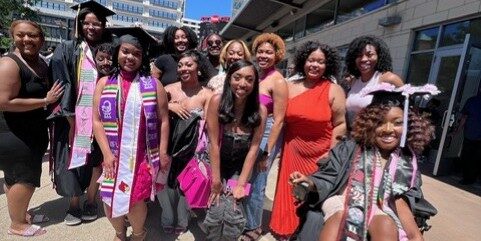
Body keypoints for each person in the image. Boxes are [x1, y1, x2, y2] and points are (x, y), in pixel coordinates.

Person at [290, 83, 437, 241]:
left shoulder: (408, 161)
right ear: (370, 123)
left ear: (409, 126)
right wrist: (310, 182)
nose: (388, 129)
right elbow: (329, 174)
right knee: (339, 217)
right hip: (344, 198)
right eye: (380, 122)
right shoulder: (351, 148)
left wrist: (414, 233)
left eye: (397, 123)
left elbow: (402, 199)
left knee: (386, 225)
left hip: (384, 206)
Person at [92, 27, 170, 241]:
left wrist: (162, 152)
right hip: (113, 155)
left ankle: (138, 233)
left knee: (135, 200)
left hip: (141, 156)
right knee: (109, 199)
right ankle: (119, 233)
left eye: (136, 53)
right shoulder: (104, 83)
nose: (130, 57)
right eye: (126, 51)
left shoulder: (153, 84)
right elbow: (97, 121)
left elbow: (164, 120)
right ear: (117, 52)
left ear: (143, 57)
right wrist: (106, 154)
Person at [48, 0, 116, 226]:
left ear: (103, 25)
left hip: (106, 120)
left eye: (97, 23)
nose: (92, 27)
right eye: (87, 23)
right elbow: (63, 85)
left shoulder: (111, 49)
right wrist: (71, 120)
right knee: (75, 161)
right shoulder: (67, 48)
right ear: (79, 24)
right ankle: (74, 205)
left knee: (97, 161)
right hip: (73, 119)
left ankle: (91, 200)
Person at [269, 41, 347, 239]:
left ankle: (307, 232)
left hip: (320, 152)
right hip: (292, 148)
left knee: (313, 193)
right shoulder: (288, 86)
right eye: (311, 60)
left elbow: (340, 124)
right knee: (290, 191)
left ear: (327, 65)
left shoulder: (333, 90)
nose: (315, 65)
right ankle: (287, 230)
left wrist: (331, 153)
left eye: (321, 62)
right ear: (304, 61)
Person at [0, 20, 63, 237]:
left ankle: (22, 214)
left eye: (33, 36)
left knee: (16, 177)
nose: (27, 39)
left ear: (41, 39)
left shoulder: (39, 63)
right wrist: (45, 100)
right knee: (23, 179)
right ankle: (17, 224)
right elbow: (4, 101)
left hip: (31, 132)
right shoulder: (9, 64)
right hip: (15, 134)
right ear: (13, 36)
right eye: (21, 35)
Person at [203, 60, 266, 240]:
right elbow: (213, 143)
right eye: (237, 77)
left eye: (249, 79)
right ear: (229, 78)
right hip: (217, 162)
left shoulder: (260, 110)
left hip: (241, 166)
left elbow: (254, 149)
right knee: (215, 207)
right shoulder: (217, 101)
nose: (242, 84)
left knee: (233, 208)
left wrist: (241, 184)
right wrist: (216, 179)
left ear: (254, 84)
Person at [158, 50, 213, 235]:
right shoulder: (168, 89)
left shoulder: (207, 94)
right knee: (162, 183)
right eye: (180, 65)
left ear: (198, 68)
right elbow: (154, 111)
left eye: (188, 64)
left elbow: (210, 125)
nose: (183, 68)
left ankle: (182, 217)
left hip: (193, 149)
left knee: (186, 185)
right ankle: (167, 215)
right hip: (166, 143)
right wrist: (169, 105)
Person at [242, 33, 288, 241]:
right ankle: (244, 219)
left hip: (267, 130)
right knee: (246, 177)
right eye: (260, 51)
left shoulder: (278, 80)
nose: (263, 55)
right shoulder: (258, 75)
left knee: (258, 181)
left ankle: (253, 227)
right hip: (251, 128)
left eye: (268, 52)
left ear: (276, 54)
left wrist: (267, 152)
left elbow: (279, 119)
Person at [344, 35, 403, 126]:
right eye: (359, 56)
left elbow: (404, 110)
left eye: (369, 55)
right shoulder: (353, 81)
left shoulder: (389, 79)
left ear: (379, 56)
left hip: (375, 137)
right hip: (351, 136)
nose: (364, 59)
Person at [151, 26, 216, 86]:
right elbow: (152, 84)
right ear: (171, 41)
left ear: (190, 39)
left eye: (184, 37)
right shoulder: (162, 60)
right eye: (176, 38)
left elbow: (214, 79)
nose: (180, 40)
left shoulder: (199, 58)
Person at [454, 86, 481, 185]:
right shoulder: (472, 101)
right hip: (474, 135)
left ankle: (467, 179)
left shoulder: (472, 101)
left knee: (467, 157)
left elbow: (464, 118)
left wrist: (457, 131)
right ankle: (474, 177)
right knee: (476, 158)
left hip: (470, 134)